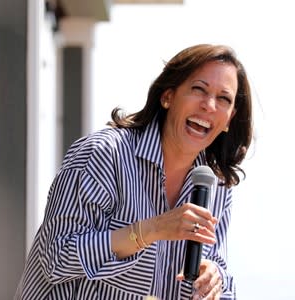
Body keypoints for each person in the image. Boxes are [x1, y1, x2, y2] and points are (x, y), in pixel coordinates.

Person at [15, 44, 253, 300]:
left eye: (223, 99)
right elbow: (54, 257)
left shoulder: (216, 187)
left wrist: (215, 280)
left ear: (229, 118)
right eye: (199, 89)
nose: (209, 105)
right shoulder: (104, 154)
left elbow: (222, 277)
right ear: (168, 96)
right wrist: (150, 230)